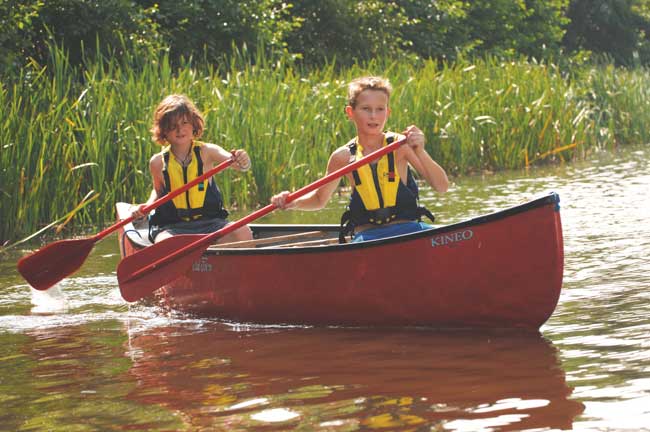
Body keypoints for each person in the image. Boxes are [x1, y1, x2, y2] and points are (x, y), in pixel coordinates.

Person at [271, 76, 449, 242]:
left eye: (380, 109)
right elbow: (319, 200)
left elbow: (441, 186)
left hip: (409, 230)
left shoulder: (401, 146)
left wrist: (420, 151)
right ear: (351, 112)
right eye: (366, 109)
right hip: (368, 237)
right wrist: (292, 202)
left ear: (388, 112)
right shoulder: (342, 157)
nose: (373, 116)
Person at [131, 94, 253, 244]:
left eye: (184, 123)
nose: (179, 129)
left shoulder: (207, 151)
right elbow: (158, 191)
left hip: (211, 223)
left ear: (194, 125)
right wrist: (148, 206)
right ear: (164, 131)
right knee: (165, 244)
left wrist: (243, 160)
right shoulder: (157, 162)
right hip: (173, 227)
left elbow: (237, 163)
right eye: (173, 125)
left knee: (243, 232)